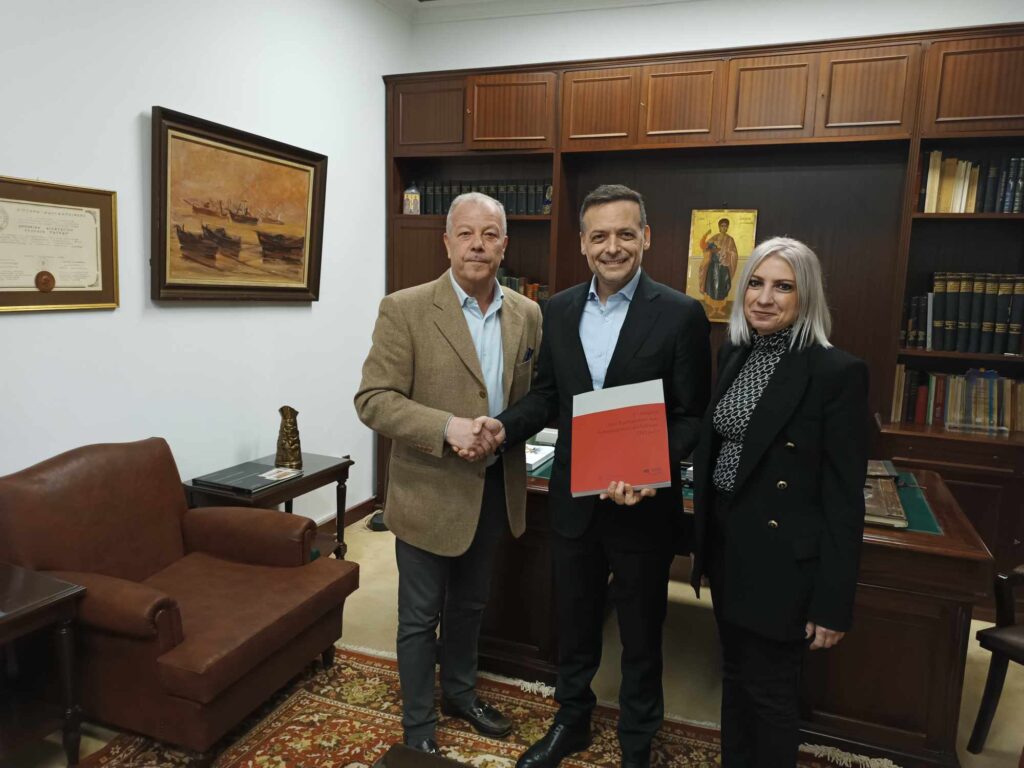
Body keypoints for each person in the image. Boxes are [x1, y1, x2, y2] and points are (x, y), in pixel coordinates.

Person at [471, 184, 711, 768]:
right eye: (599, 236)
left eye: (625, 234)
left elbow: (691, 416)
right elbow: (548, 396)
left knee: (641, 632)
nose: (612, 247)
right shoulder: (558, 310)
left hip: (643, 505)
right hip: (574, 502)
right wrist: (502, 427)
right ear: (582, 243)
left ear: (646, 237)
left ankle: (637, 740)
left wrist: (650, 468)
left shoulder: (680, 314)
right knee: (573, 622)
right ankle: (571, 721)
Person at [354, 192, 543, 754]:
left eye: (489, 234)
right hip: (426, 491)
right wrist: (446, 427)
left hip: (494, 488)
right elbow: (373, 399)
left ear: (504, 245)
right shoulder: (405, 308)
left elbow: (530, 397)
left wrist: (503, 430)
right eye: (465, 233)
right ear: (447, 242)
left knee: (471, 605)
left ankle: (460, 694)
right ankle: (418, 729)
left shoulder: (529, 314)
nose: (477, 245)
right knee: (419, 617)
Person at [690, 236, 870, 768]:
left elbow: (844, 499)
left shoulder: (836, 373)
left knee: (770, 694)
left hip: (783, 564)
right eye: (756, 283)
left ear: (806, 297)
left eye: (783, 287)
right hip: (728, 547)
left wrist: (833, 602)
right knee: (734, 676)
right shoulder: (735, 353)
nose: (764, 298)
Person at [699, 218, 739, 319]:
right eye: (722, 226)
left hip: (723, 268)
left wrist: (727, 252)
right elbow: (705, 248)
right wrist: (714, 250)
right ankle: (713, 309)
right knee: (712, 288)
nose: (724, 228)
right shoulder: (714, 238)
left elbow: (734, 253)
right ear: (719, 227)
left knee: (723, 288)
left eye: (726, 226)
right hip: (713, 267)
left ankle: (720, 309)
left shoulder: (730, 240)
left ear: (727, 227)